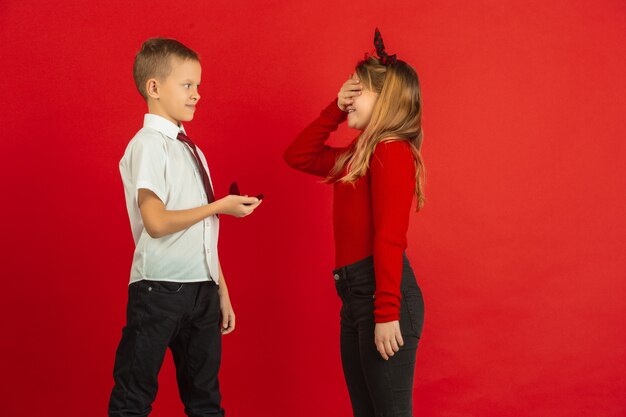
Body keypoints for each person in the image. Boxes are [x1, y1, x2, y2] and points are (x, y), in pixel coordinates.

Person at [109, 37, 262, 417]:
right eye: (188, 85)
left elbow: (203, 234)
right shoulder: (148, 144)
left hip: (202, 291)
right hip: (158, 289)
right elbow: (156, 222)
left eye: (198, 86)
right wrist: (219, 206)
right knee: (134, 398)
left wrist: (220, 289)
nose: (197, 95)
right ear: (155, 88)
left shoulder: (191, 148)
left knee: (206, 402)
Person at [283, 28, 426, 417]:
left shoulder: (391, 150)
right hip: (355, 297)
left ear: (385, 99)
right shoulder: (358, 155)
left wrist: (387, 313)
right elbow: (298, 156)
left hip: (380, 298)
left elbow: (391, 237)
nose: (348, 96)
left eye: (357, 89)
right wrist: (333, 107)